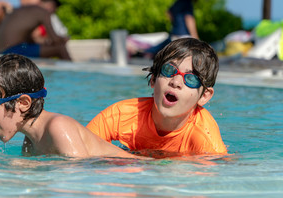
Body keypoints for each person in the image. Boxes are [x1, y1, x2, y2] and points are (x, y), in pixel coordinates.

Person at [0, 54, 137, 158]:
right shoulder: (30, 141)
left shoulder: (59, 127)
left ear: (23, 103)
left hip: (134, 170)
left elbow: (81, 174)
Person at [87, 38, 227, 155]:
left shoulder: (204, 138)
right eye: (169, 70)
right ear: (153, 79)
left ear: (204, 96)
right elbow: (80, 143)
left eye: (191, 79)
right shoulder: (123, 114)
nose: (176, 82)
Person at [0, 4, 71, 60]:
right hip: (11, 51)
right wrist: (64, 39)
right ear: (52, 5)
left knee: (41, 48)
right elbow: (55, 40)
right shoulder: (43, 12)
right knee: (59, 48)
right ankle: (72, 72)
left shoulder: (22, 10)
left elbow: (22, 36)